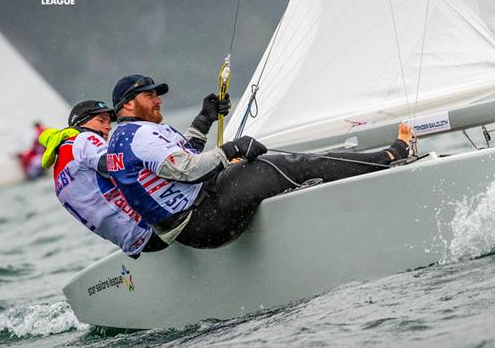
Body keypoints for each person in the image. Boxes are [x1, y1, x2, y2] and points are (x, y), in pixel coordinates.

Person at [106, 74, 412, 249]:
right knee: (288, 165)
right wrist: (229, 150)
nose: (158, 100)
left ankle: (309, 189)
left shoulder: (125, 137)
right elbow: (187, 171)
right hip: (204, 219)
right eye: (150, 96)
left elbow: (181, 156)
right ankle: (387, 158)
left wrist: (204, 119)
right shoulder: (139, 136)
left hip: (193, 221)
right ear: (129, 105)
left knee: (259, 168)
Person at [39, 100, 167, 258]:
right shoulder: (83, 139)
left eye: (108, 122)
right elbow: (116, 168)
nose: (108, 126)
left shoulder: (58, 173)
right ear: (81, 123)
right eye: (101, 120)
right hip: (154, 230)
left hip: (135, 244)